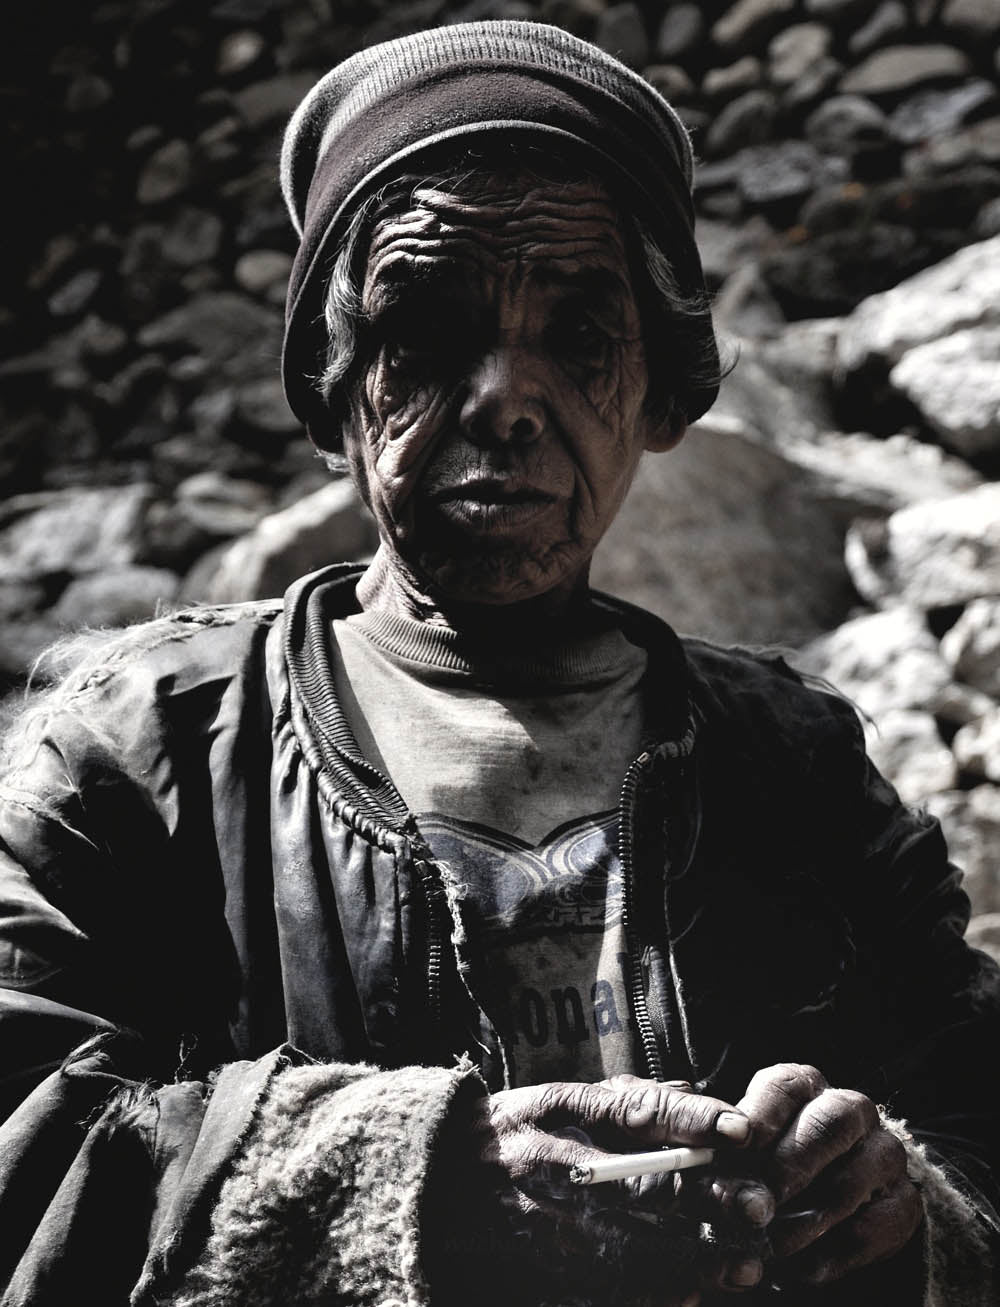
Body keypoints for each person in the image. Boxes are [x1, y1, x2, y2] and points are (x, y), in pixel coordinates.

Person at [0, 20, 997, 1307]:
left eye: (579, 332)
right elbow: (22, 1160)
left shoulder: (797, 766)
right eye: (424, 331)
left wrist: (899, 1208)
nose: (508, 400)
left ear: (658, 385)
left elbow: (975, 1126)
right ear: (332, 377)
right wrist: (408, 1179)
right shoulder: (139, 757)